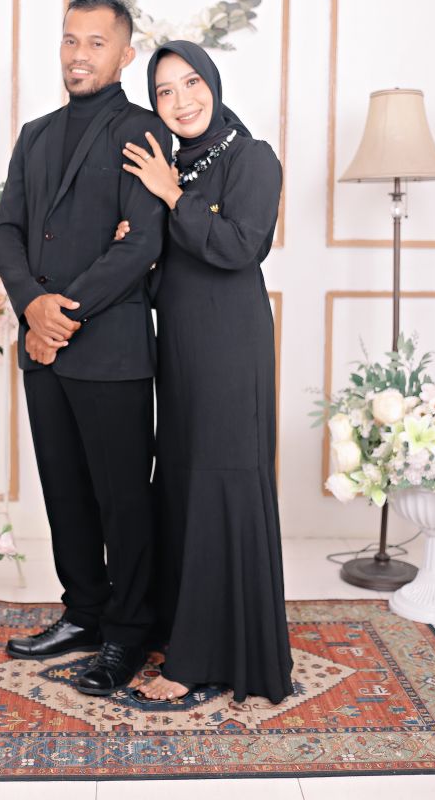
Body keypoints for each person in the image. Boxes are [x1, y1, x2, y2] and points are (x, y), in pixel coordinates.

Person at [0, 0, 171, 697]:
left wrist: (59, 315)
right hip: (42, 348)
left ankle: (128, 632)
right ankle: (83, 613)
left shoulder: (142, 130)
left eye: (96, 43)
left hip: (110, 350)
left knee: (122, 500)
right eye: (70, 40)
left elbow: (141, 244)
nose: (79, 54)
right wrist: (30, 306)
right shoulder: (34, 134)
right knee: (64, 491)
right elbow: (7, 229)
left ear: (124, 55)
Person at [118, 40, 294, 705]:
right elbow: (167, 267)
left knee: (222, 481)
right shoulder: (172, 166)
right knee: (184, 481)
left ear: (214, 86)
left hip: (229, 347)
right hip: (180, 349)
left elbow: (240, 246)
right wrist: (135, 241)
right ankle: (181, 629)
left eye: (191, 83)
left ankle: (205, 657)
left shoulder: (252, 158)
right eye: (164, 91)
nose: (181, 100)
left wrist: (171, 197)